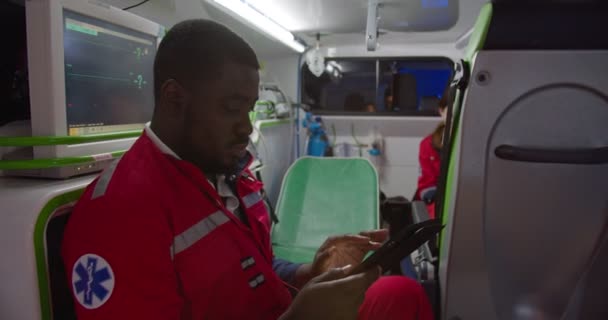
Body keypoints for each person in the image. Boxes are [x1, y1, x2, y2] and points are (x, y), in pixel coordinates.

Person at [62, 19, 433, 320]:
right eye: (231, 108)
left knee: (400, 292)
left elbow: (258, 266)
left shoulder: (233, 172)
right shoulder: (120, 213)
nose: (247, 127)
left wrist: (308, 273)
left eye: (250, 109)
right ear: (175, 98)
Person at [415, 93, 448, 219]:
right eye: (450, 110)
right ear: (441, 111)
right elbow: (426, 185)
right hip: (437, 202)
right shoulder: (427, 144)